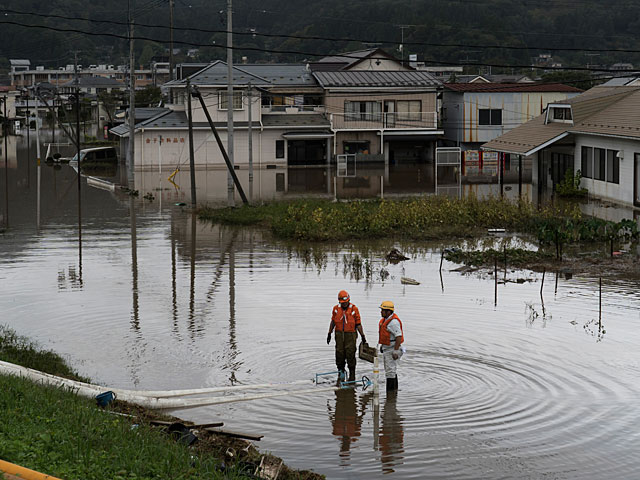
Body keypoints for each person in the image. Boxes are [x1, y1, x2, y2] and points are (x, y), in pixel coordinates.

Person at [327, 290, 367, 382]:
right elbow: (333, 321)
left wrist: (363, 336)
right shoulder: (336, 309)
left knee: (350, 354)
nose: (344, 304)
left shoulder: (354, 309)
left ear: (348, 300)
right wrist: (329, 333)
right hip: (339, 335)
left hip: (351, 335)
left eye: (345, 302)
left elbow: (358, 324)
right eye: (342, 303)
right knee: (339, 353)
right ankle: (340, 373)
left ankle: (352, 375)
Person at [378, 301, 404, 391]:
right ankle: (393, 394)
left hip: (391, 349)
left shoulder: (393, 323)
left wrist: (396, 351)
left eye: (383, 310)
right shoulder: (385, 321)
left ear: (388, 312)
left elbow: (398, 336)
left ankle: (390, 393)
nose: (381, 312)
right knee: (391, 371)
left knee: (390, 372)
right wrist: (383, 346)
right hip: (387, 348)